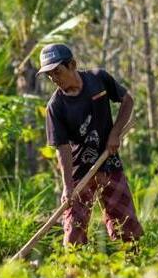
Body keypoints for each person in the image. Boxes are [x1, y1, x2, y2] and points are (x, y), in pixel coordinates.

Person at [38, 43, 143, 246]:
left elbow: (127, 100)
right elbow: (63, 149)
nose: (54, 79)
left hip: (109, 163)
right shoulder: (56, 106)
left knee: (127, 227)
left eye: (57, 72)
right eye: (49, 76)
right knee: (74, 233)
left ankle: (133, 267)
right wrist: (68, 187)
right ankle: (74, 273)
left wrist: (115, 133)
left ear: (72, 65)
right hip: (80, 174)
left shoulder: (98, 79)